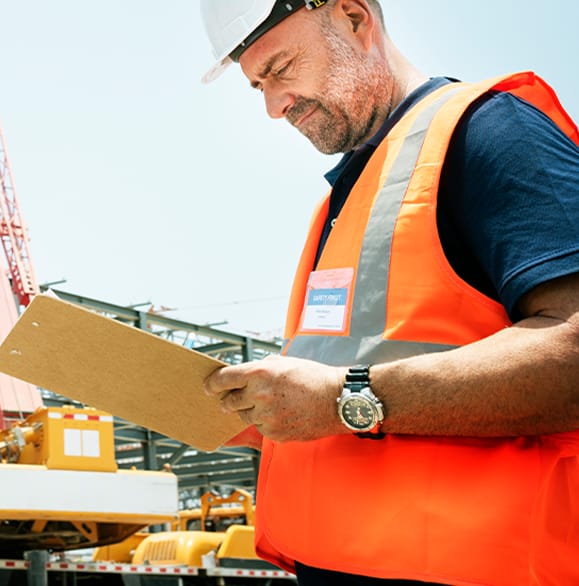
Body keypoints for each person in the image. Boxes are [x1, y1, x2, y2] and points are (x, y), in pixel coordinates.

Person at [197, 1, 579, 585]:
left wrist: (338, 401)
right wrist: (267, 414)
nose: (274, 107)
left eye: (281, 68)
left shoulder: (493, 132)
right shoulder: (349, 196)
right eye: (257, 87)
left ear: (353, 18)